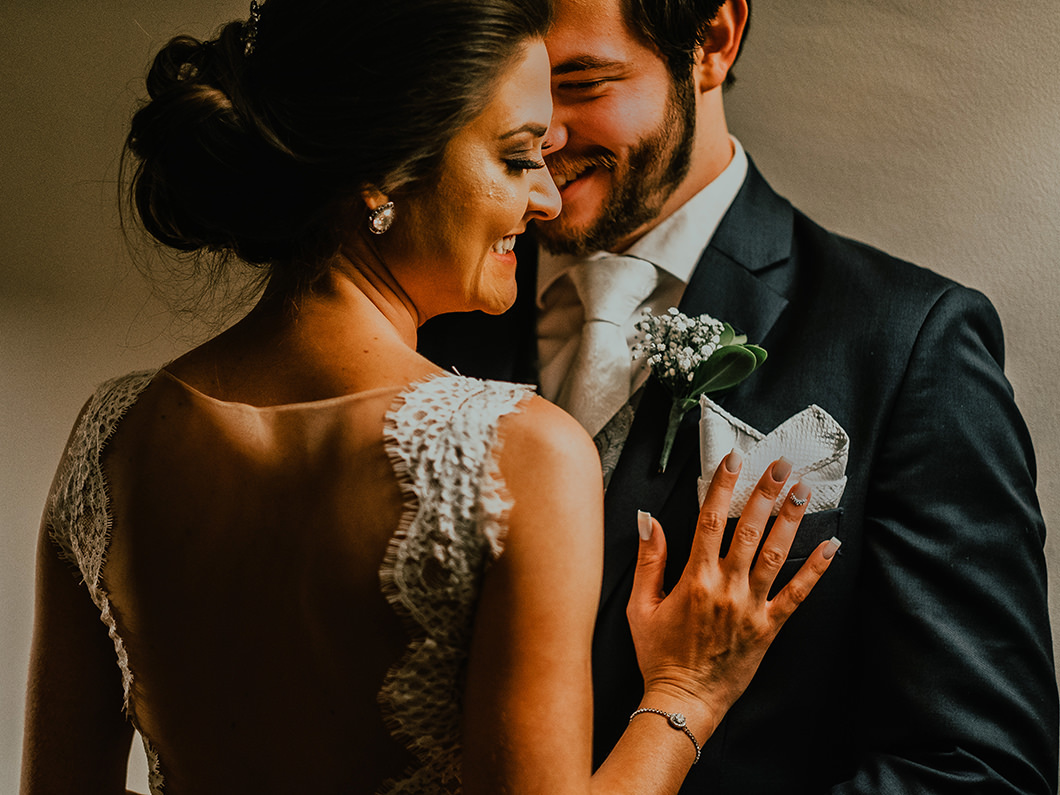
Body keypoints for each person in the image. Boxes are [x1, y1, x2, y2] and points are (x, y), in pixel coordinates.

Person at [20, 1, 840, 793]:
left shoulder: (110, 437)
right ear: (386, 174)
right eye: (518, 157)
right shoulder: (519, 453)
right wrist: (685, 695)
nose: (547, 196)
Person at [418, 0, 1060, 792]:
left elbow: (981, 771)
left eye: (581, 82)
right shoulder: (427, 321)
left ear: (712, 40)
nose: (538, 135)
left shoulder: (907, 343)